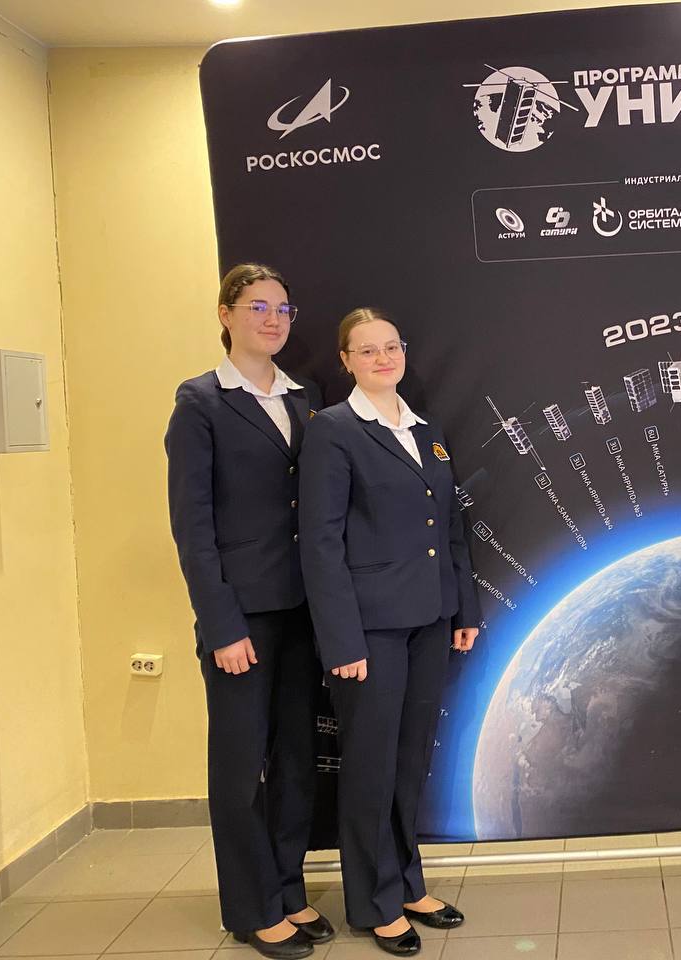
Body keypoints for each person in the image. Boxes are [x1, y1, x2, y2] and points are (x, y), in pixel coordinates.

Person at [299, 308, 480, 957]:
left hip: (429, 619)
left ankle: (407, 884)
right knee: (371, 767)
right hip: (370, 629)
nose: (383, 358)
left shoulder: (425, 431)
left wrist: (464, 609)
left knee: (408, 762)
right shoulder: (333, 431)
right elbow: (320, 543)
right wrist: (341, 640)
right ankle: (374, 902)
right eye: (367, 350)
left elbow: (449, 526)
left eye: (391, 347)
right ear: (345, 360)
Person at [165, 263, 331, 959]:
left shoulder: (306, 397)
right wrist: (222, 625)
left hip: (302, 609)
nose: (272, 319)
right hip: (242, 617)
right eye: (257, 306)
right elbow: (192, 529)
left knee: (296, 759)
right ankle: (249, 906)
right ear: (225, 314)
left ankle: (287, 889)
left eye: (283, 308)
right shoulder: (200, 403)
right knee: (240, 769)